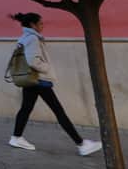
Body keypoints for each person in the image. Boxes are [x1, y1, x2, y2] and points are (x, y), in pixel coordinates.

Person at [8, 12, 102, 156]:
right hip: (39, 80)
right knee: (58, 111)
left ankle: (16, 137)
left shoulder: (24, 37)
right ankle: (81, 144)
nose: (43, 25)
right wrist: (47, 68)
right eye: (40, 23)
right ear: (33, 25)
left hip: (30, 80)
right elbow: (33, 60)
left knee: (26, 109)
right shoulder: (33, 38)